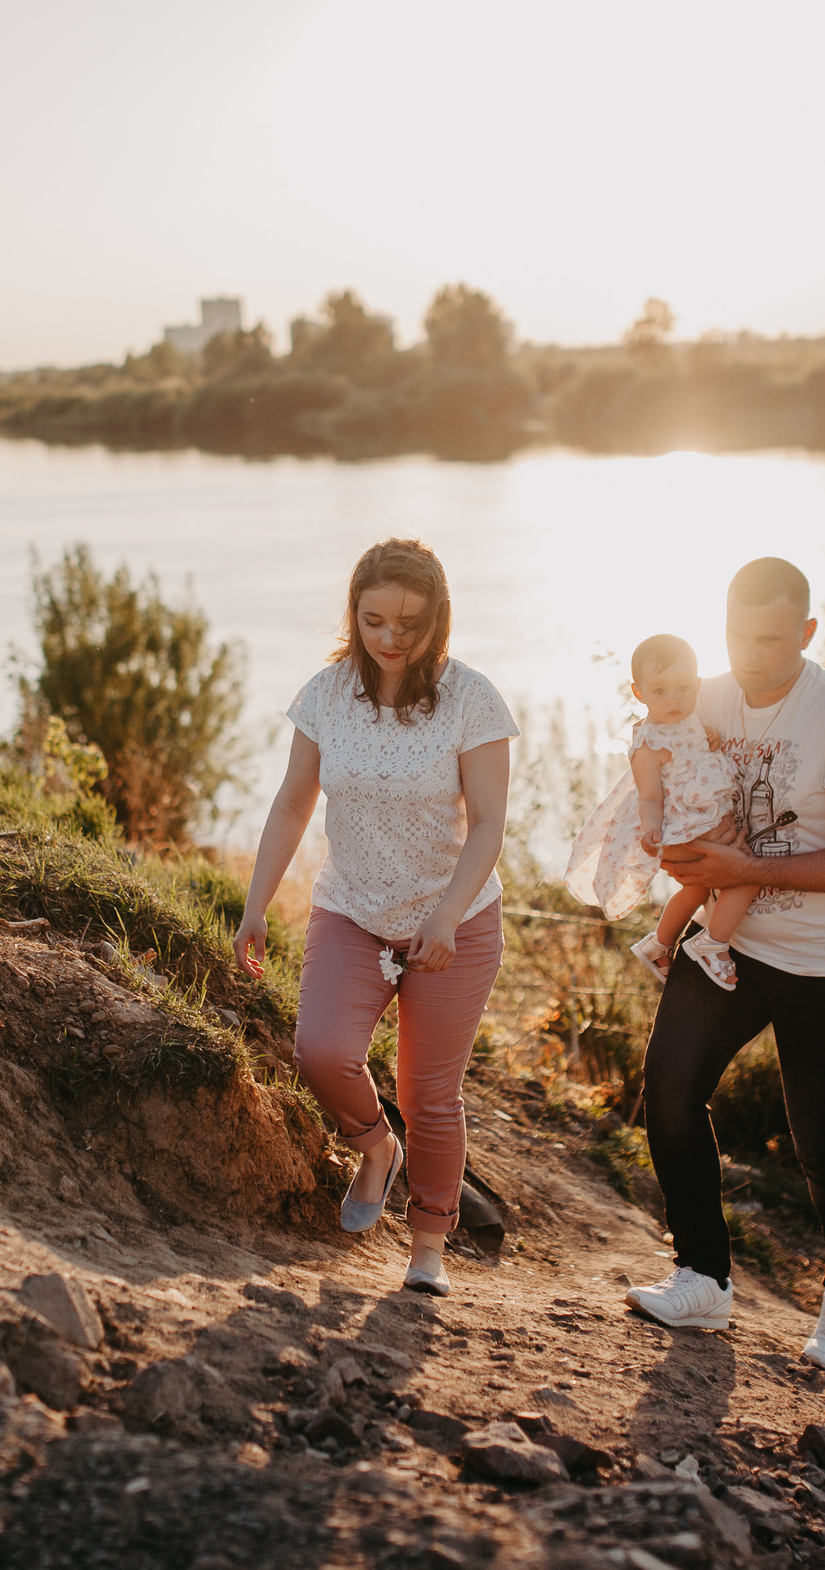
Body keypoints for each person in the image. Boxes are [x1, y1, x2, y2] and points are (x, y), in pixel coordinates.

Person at [621, 557, 825, 1373]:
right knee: (670, 1090)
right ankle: (703, 1278)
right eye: (736, 636)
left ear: (807, 632)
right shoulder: (701, 696)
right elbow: (661, 790)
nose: (749, 655)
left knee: (822, 1142)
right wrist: (670, 842)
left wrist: (745, 866)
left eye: (771, 639)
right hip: (730, 943)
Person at [232, 538, 517, 1298]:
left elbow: (489, 823)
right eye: (374, 620)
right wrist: (256, 904)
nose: (391, 638)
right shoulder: (327, 694)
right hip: (352, 909)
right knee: (322, 1051)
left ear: (439, 620)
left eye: (410, 624)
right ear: (353, 613)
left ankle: (428, 1247)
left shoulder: (472, 699)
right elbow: (293, 802)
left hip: (453, 922)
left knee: (429, 1095)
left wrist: (447, 916)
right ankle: (375, 1147)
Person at [561, 634, 756, 982]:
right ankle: (712, 943)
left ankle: (659, 944)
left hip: (706, 820)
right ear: (639, 693)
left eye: (683, 688)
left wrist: (709, 738)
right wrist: (652, 830)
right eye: (660, 691)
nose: (673, 699)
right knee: (746, 874)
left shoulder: (690, 719)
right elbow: (649, 797)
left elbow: (693, 756)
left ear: (697, 685)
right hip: (687, 828)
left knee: (698, 888)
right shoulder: (648, 744)